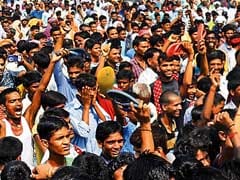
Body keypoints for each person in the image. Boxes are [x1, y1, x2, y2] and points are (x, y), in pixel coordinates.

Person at [65, 73, 111, 154]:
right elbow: (83, 132)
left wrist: (95, 105)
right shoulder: (70, 110)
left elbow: (107, 123)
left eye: (94, 89)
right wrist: (86, 106)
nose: (93, 93)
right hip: (81, 154)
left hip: (98, 153)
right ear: (80, 91)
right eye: (90, 90)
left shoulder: (95, 106)